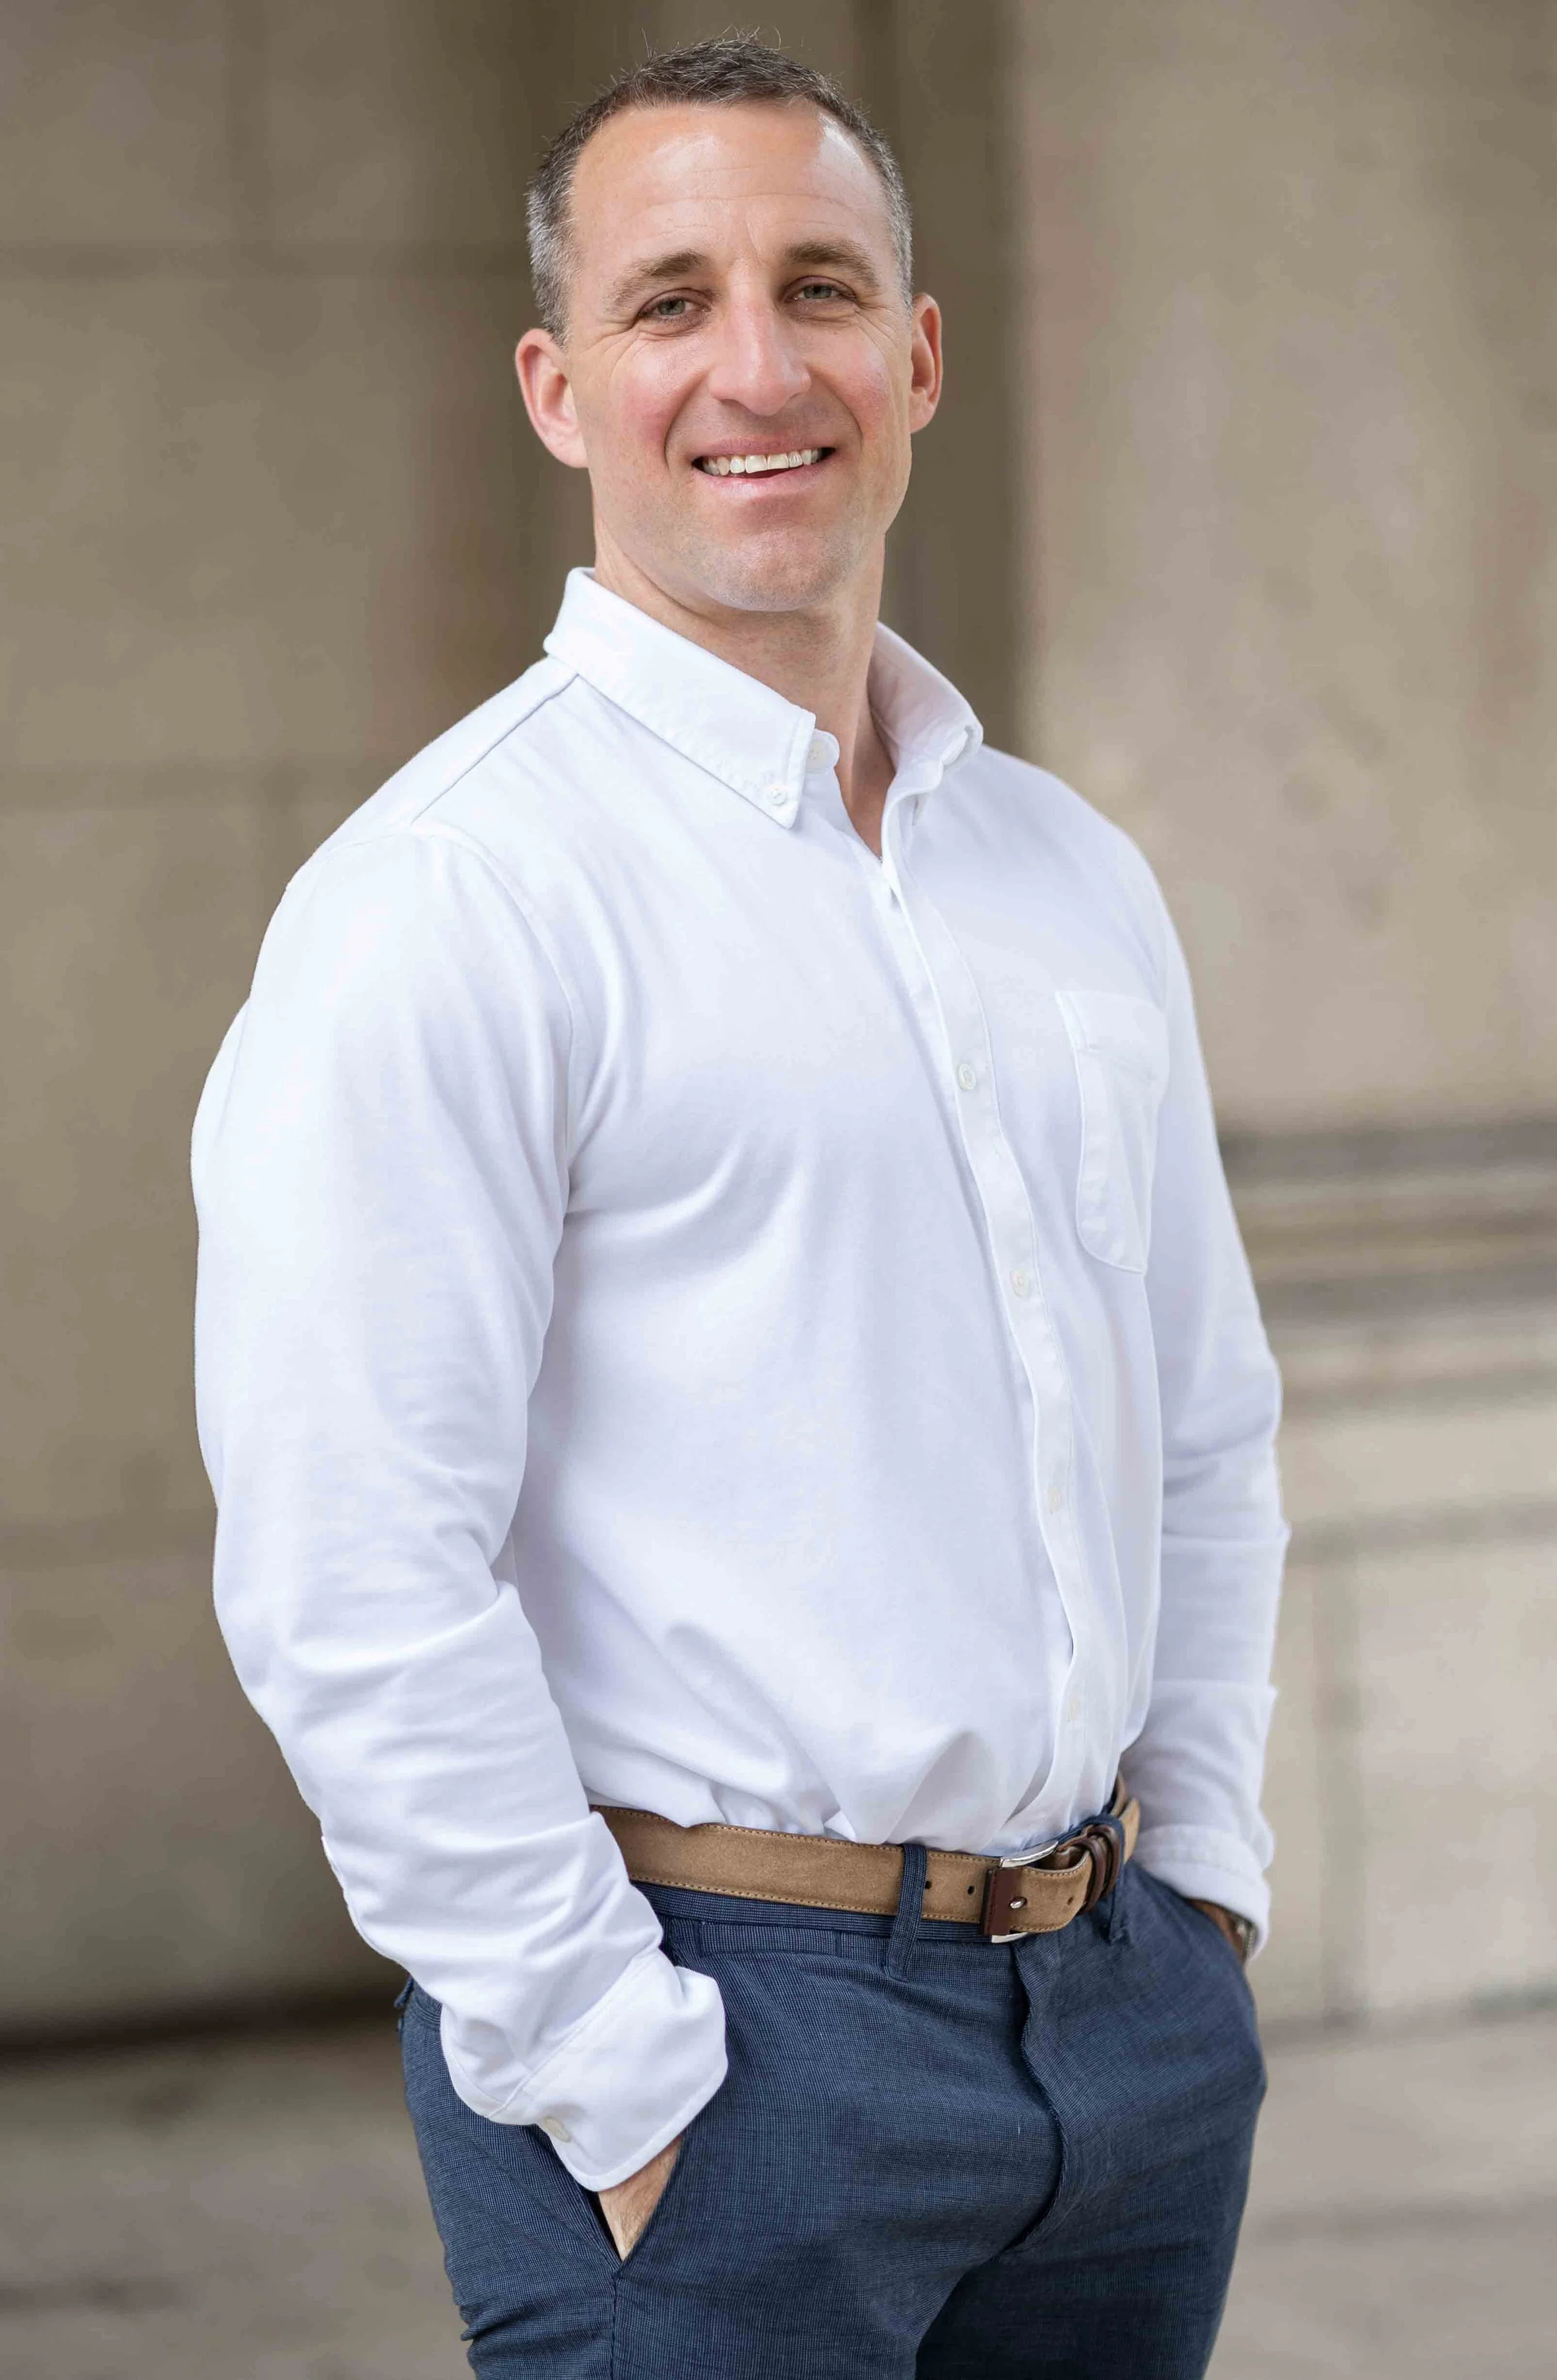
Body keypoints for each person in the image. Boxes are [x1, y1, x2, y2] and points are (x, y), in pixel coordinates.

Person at [192, 33, 1287, 2378]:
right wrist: (610, 2070)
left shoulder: (1063, 875)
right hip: (710, 2035)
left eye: (816, 285)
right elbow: (352, 1566)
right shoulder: (452, 898)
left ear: (916, 355)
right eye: (668, 299)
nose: (752, 365)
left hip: (1120, 2027)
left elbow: (1198, 1418)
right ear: (558, 386)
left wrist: (1200, 1896)